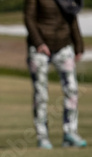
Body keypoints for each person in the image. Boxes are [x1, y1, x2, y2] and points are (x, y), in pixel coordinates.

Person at [24, 0, 87, 149]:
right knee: (41, 93)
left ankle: (70, 133)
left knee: (72, 89)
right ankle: (42, 136)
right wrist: (39, 43)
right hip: (39, 49)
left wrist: (79, 45)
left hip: (63, 46)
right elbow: (29, 18)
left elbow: (72, 18)